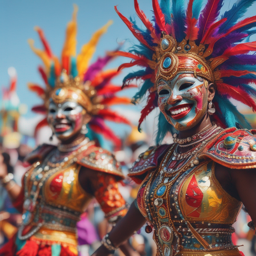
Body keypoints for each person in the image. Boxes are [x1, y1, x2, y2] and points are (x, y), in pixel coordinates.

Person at [92, 0, 256, 255]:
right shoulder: (161, 159)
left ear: (210, 91)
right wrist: (104, 249)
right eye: (164, 91)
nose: (173, 98)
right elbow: (136, 212)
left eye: (185, 85)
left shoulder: (233, 151)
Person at [0, 5, 137, 256]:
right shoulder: (44, 154)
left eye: (67, 109)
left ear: (85, 115)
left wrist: (129, 253)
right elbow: (26, 206)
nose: (57, 116)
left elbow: (121, 219)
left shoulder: (94, 160)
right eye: (52, 110)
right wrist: (5, 177)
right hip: (17, 246)